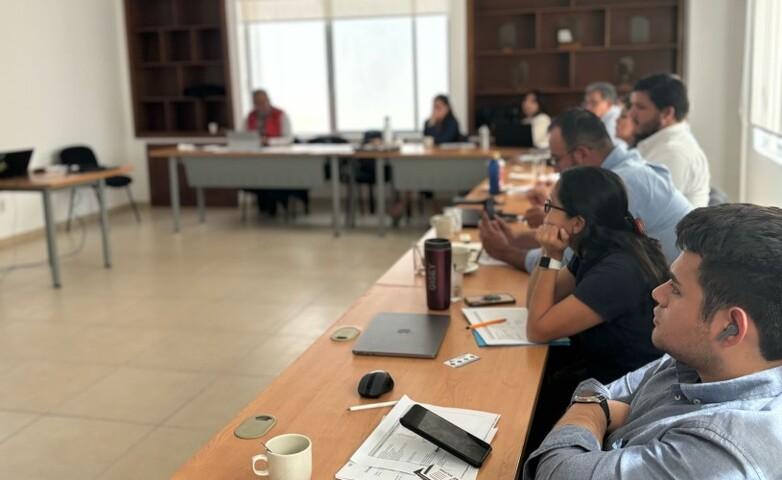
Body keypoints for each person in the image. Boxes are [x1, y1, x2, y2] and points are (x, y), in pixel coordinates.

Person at [524, 204, 782, 479]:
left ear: (731, 327)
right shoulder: (696, 357)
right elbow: (611, 392)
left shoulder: (721, 454)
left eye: (676, 288)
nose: (657, 293)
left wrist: (590, 408)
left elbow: (556, 473)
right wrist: (599, 407)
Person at [524, 166, 668, 455]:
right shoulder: (598, 247)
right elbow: (537, 302)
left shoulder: (618, 270)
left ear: (577, 223)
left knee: (523, 405)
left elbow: (538, 328)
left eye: (551, 206)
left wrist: (552, 253)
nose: (545, 213)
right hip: (595, 369)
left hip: (617, 391)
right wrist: (548, 254)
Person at [479, 109, 692, 272]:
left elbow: (569, 262)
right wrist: (516, 239)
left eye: (556, 159)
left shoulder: (621, 184)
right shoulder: (621, 171)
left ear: (580, 155)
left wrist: (505, 252)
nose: (555, 169)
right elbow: (569, 238)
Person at [631, 74, 710, 207]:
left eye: (640, 107)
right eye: (632, 106)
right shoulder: (659, 144)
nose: (631, 114)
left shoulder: (674, 152)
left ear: (667, 113)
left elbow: (648, 211)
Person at [244, 89, 297, 216]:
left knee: (273, 176)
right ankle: (264, 205)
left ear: (268, 101)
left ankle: (276, 205)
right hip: (256, 159)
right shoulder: (250, 117)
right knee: (255, 176)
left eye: (263, 102)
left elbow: (288, 139)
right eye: (257, 103)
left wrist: (269, 142)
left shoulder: (281, 115)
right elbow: (244, 136)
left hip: (278, 159)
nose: (260, 106)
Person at [584, 82, 624, 147]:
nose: (588, 107)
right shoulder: (600, 117)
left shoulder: (615, 119)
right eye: (587, 103)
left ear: (608, 104)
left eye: (594, 103)